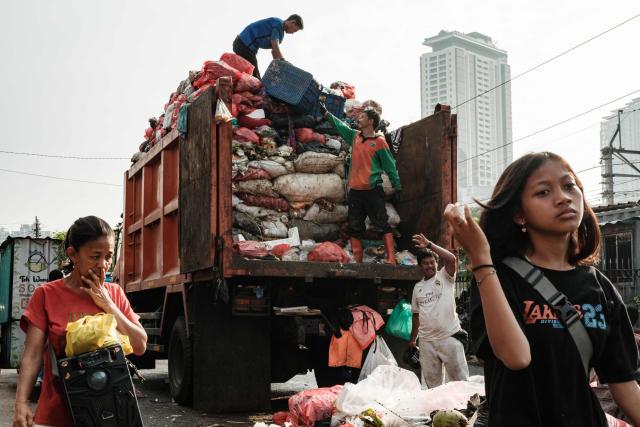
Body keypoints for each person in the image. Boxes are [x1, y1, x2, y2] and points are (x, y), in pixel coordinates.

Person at [444, 152, 640, 426]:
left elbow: (625, 386)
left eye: (569, 185)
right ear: (519, 215)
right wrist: (480, 258)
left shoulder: (599, 288)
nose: (563, 197)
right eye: (543, 192)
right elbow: (516, 356)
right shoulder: (496, 277)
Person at [13, 216, 147, 427]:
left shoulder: (115, 293)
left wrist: (109, 306)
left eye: (109, 256)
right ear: (73, 254)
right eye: (95, 256)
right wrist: (21, 403)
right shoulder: (46, 295)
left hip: (113, 416)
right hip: (56, 417)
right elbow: (32, 355)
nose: (103, 265)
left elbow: (140, 345)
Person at [324, 108, 401, 264]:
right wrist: (327, 114)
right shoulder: (355, 136)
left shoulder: (379, 142)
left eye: (362, 117)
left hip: (373, 191)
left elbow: (390, 166)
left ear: (371, 121)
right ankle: (357, 261)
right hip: (356, 193)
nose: (358, 119)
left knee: (382, 224)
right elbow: (340, 126)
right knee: (354, 227)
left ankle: (391, 259)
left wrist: (397, 185)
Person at [408, 234, 469, 387]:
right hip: (427, 342)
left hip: (449, 337)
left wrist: (429, 244)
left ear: (436, 263)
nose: (429, 266)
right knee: (433, 386)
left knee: (460, 383)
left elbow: (451, 259)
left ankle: (465, 410)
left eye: (432, 262)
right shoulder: (418, 288)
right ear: (420, 266)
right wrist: (413, 340)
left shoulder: (445, 277)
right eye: (425, 263)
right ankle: (436, 411)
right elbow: (416, 315)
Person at [233, 15, 303, 79]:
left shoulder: (277, 24)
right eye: (295, 30)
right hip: (244, 45)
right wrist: (284, 63)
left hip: (241, 44)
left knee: (246, 76)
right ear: (293, 22)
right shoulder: (279, 25)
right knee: (256, 79)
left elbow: (274, 53)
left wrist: (279, 64)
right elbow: (275, 48)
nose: (293, 33)